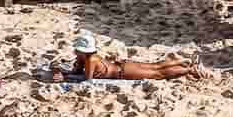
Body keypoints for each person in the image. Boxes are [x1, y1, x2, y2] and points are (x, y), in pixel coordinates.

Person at [72, 31, 201, 81]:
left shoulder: (90, 60)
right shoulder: (88, 57)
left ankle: (189, 69)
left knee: (159, 74)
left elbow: (87, 79)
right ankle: (183, 61)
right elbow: (77, 71)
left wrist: (65, 76)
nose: (75, 51)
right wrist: (77, 64)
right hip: (123, 66)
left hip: (123, 72)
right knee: (156, 66)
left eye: (77, 50)